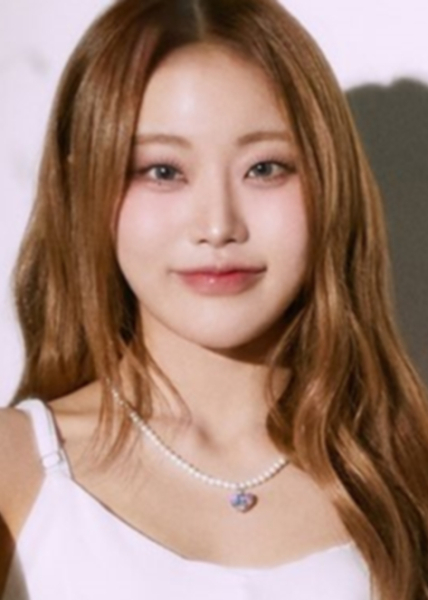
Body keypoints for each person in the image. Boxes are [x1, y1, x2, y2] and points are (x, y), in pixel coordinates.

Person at [0, 0, 427, 598]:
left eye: (265, 168)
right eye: (162, 171)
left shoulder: (406, 473)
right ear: (85, 187)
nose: (218, 225)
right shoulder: (14, 469)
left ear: (329, 183)